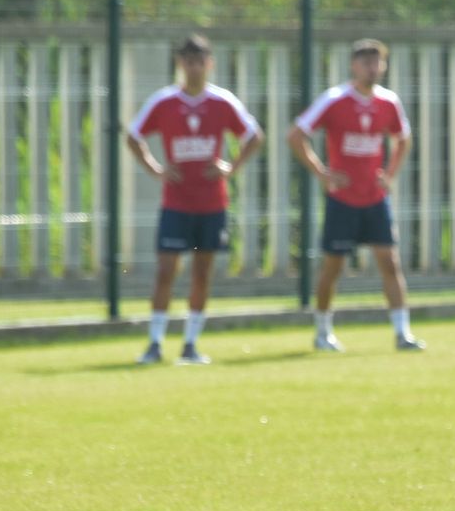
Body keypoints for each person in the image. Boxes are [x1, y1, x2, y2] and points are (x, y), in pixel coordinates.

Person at [127, 34, 263, 365]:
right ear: (180, 64)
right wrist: (157, 169)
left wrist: (230, 167)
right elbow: (134, 137)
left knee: (202, 273)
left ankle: (190, 344)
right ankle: (155, 342)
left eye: (200, 61)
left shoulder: (222, 102)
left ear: (209, 64)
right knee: (166, 271)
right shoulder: (164, 101)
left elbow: (253, 137)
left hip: (211, 205)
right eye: (188, 61)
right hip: (176, 203)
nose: (194, 68)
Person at [288, 39, 423, 352]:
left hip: (375, 198)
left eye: (377, 62)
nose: (372, 67)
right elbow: (296, 136)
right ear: (354, 65)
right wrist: (322, 173)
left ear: (384, 66)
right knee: (333, 267)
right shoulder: (335, 99)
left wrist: (389, 175)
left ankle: (403, 333)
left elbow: (404, 139)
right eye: (365, 61)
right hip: (343, 199)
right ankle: (323, 332)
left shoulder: (389, 102)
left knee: (390, 263)